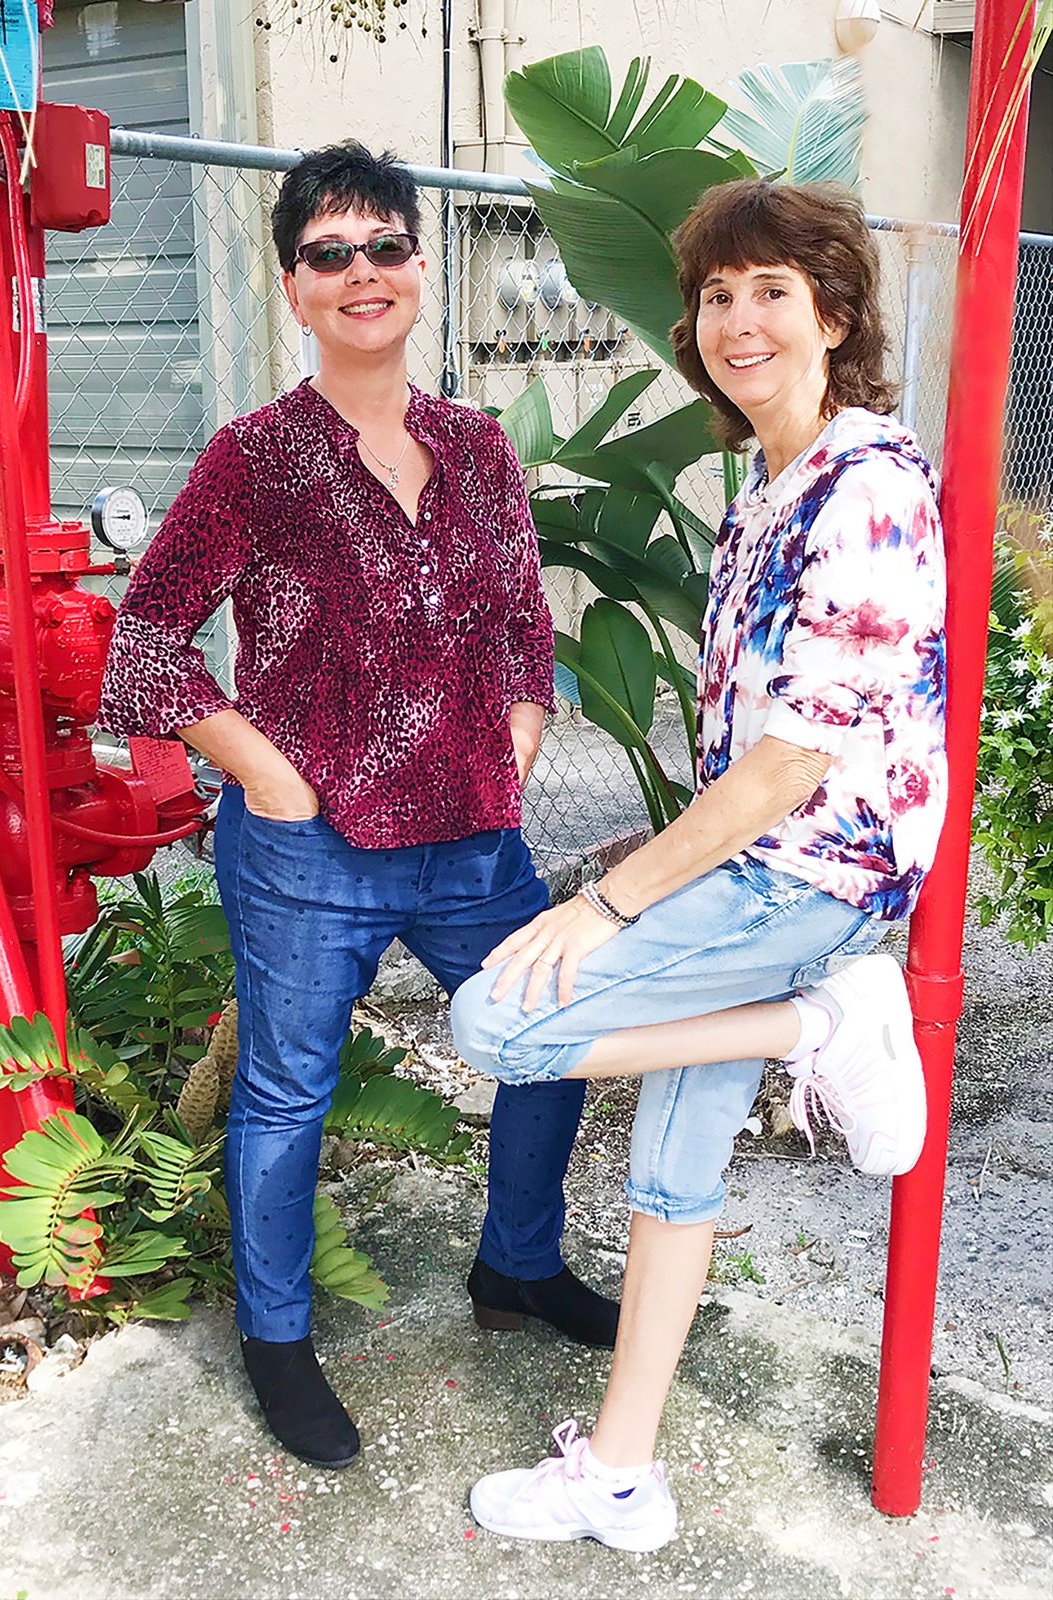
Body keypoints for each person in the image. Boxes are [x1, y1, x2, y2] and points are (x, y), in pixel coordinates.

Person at [97, 141, 617, 1473]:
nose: (362, 273)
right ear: (294, 287)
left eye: (385, 246)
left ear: (420, 269)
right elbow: (143, 645)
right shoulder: (255, 458)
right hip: (306, 851)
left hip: (473, 838)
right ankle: (276, 1340)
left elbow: (522, 621)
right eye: (330, 255)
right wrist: (268, 774)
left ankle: (516, 1266)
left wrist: (517, 735)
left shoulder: (478, 449)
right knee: (287, 1095)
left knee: (551, 1039)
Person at [451, 178, 947, 1552]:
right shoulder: (767, 493)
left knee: (499, 1022)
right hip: (759, 866)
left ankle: (822, 1025)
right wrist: (647, 864)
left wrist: (615, 899)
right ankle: (621, 1475)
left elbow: (794, 763)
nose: (739, 321)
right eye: (718, 296)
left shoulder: (868, 482)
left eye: (773, 291)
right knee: (672, 1177)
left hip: (806, 877)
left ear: (833, 318)